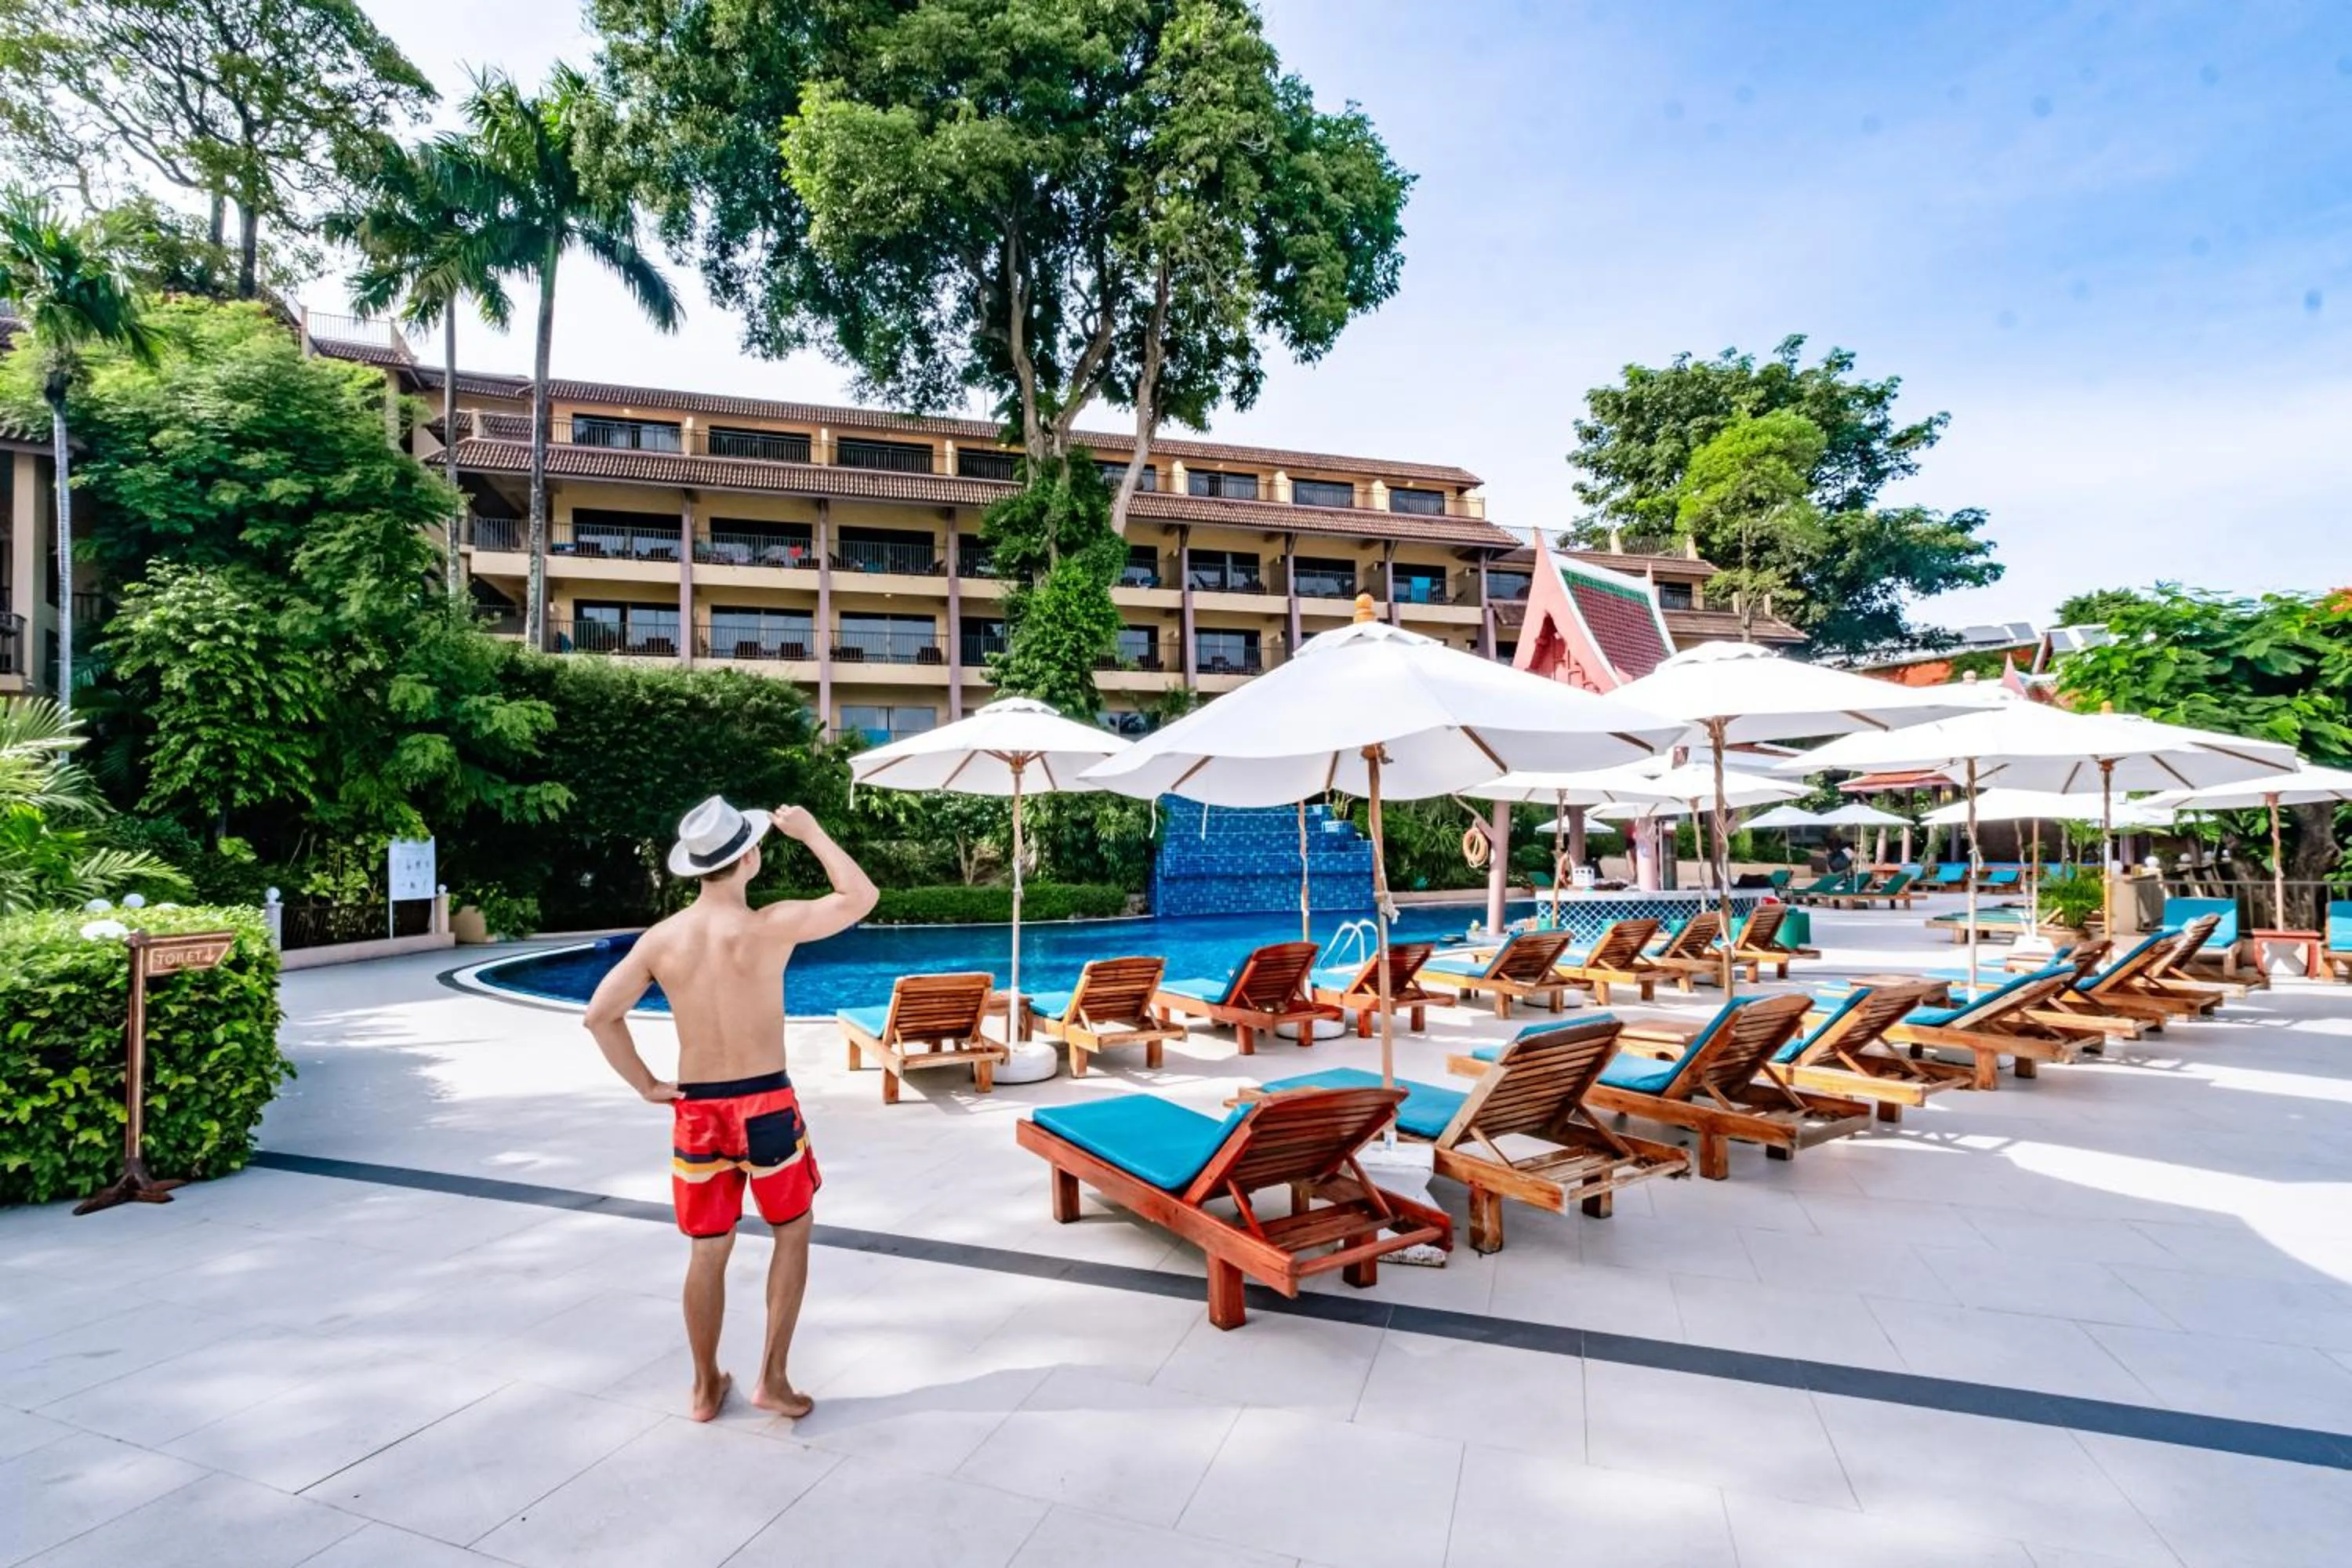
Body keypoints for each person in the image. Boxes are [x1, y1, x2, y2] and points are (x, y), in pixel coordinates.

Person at [583, 796, 877, 1423]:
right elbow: (860, 897)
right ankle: (773, 1379)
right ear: (750, 856)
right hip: (766, 1101)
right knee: (792, 1232)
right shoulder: (769, 925)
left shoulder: (660, 942)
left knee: (708, 1250)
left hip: (699, 1111)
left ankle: (703, 1388)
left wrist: (646, 1084)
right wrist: (813, 832)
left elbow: (599, 1016)